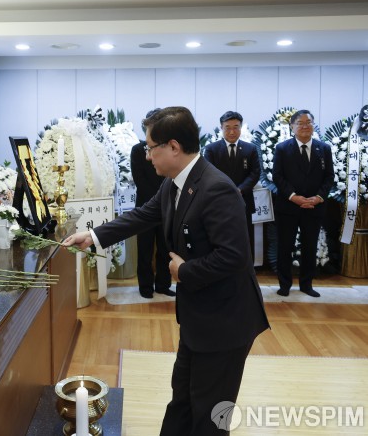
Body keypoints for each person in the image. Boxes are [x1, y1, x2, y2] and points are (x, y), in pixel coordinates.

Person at [64, 106, 269, 436]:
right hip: (198, 317)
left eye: (150, 148)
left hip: (225, 322)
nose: (147, 156)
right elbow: (144, 215)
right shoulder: (175, 183)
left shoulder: (216, 188)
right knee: (182, 401)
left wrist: (183, 271)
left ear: (173, 147)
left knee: (209, 415)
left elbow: (234, 256)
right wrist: (94, 236)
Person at [272, 110, 334, 298]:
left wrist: (319, 197)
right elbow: (277, 176)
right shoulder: (282, 148)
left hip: (314, 206)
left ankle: (306, 284)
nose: (305, 126)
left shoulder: (324, 149)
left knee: (310, 246)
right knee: (285, 246)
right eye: (300, 123)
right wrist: (293, 196)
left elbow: (329, 177)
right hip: (288, 206)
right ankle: (284, 285)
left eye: (309, 122)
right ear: (292, 126)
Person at [130, 108, 175, 298]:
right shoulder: (137, 150)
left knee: (166, 248)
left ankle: (163, 284)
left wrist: (164, 200)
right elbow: (139, 180)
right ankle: (145, 286)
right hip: (145, 207)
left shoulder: (170, 149)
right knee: (145, 249)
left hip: (168, 207)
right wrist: (157, 200)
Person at [203, 111, 260, 253]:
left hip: (244, 201)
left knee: (245, 240)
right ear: (221, 128)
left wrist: (240, 189)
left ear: (241, 128)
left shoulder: (251, 149)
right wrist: (227, 191)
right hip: (219, 202)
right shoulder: (211, 149)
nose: (232, 131)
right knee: (220, 239)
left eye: (236, 127)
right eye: (227, 128)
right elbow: (208, 174)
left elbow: (255, 173)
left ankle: (246, 267)